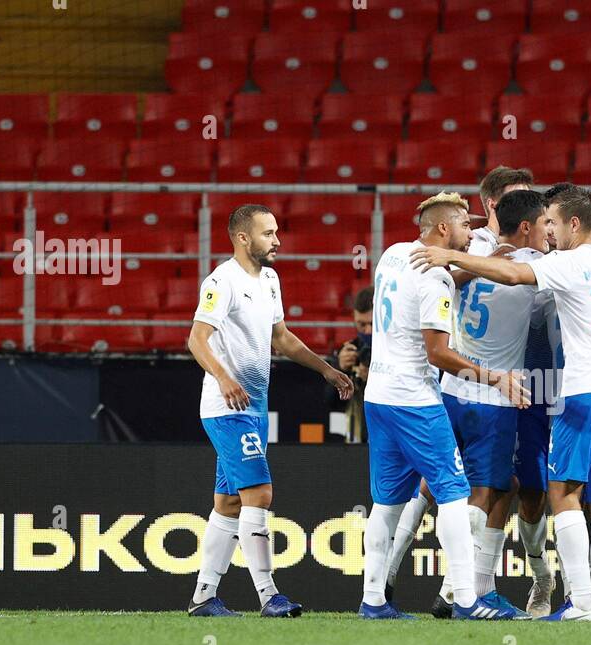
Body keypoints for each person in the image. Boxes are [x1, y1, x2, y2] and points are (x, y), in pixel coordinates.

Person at [411, 184, 591, 622]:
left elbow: (511, 275)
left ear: (573, 223)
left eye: (551, 221)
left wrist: (450, 256)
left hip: (583, 394)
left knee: (563, 492)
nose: (547, 230)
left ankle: (584, 604)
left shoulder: (567, 264)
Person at [359, 192, 530, 620]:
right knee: (455, 493)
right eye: (464, 225)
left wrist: (465, 274)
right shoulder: (433, 280)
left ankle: (373, 601)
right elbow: (437, 354)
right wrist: (496, 377)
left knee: (387, 501)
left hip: (379, 396)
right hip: (416, 400)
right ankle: (467, 600)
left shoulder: (394, 255)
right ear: (442, 229)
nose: (471, 232)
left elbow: (427, 286)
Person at [186, 204, 354, 617]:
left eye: (276, 232)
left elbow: (281, 337)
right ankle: (269, 596)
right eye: (268, 233)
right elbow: (196, 339)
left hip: (255, 405)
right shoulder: (221, 281)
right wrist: (225, 379)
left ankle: (203, 598)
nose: (277, 241)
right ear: (243, 238)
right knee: (259, 493)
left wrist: (326, 369)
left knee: (228, 503)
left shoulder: (271, 279)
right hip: (228, 408)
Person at [326, 287, 373, 443]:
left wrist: (373, 379)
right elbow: (329, 402)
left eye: (372, 324)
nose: (367, 331)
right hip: (357, 438)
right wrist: (340, 369)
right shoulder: (350, 351)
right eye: (361, 324)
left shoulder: (396, 351)